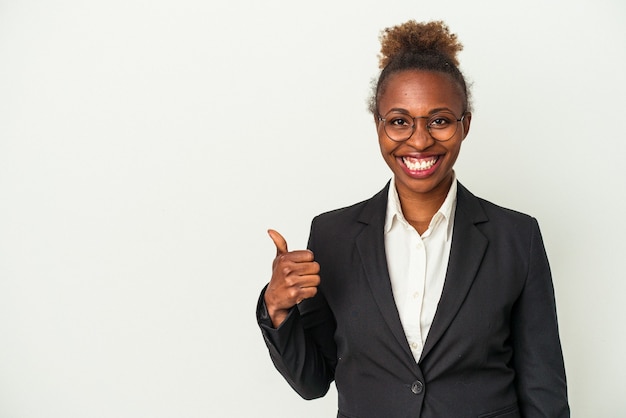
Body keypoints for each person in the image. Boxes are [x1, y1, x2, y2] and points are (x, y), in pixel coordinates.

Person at [256, 20, 569, 418]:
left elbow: (544, 389)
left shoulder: (516, 237)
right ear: (379, 126)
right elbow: (313, 381)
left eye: (438, 120)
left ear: (464, 125)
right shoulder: (332, 235)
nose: (419, 140)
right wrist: (277, 308)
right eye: (400, 121)